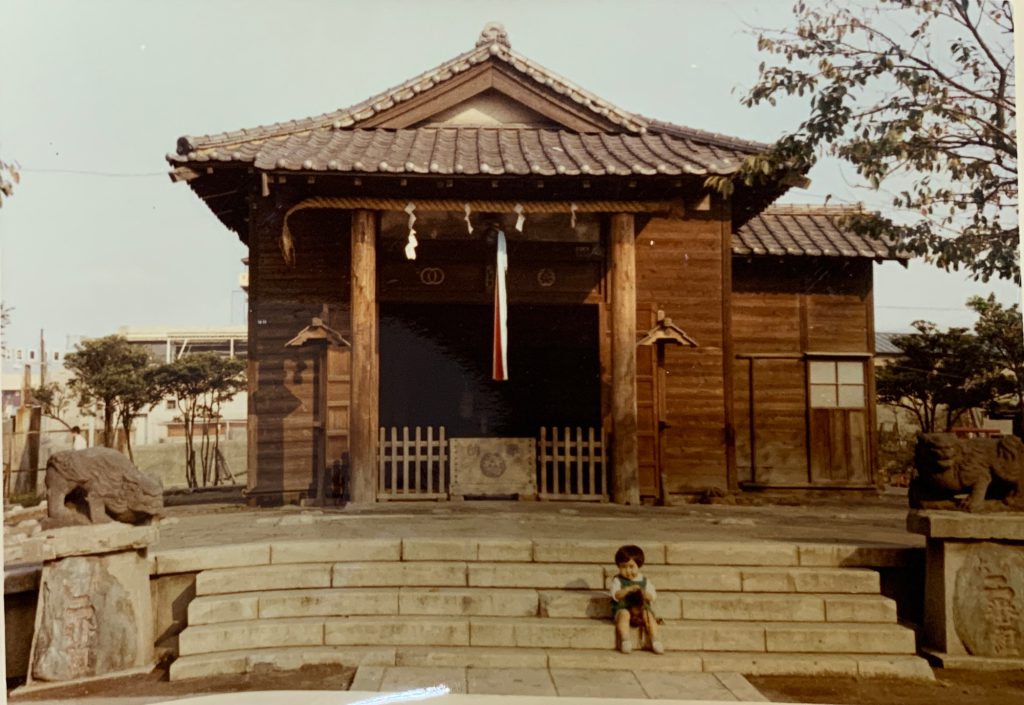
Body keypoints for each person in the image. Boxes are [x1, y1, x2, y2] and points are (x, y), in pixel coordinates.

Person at [610, 544, 664, 654]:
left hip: (640, 609)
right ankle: (625, 639)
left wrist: (643, 593)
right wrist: (627, 589)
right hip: (623, 608)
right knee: (624, 614)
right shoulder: (617, 580)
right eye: (623, 567)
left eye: (631, 566)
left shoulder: (644, 581)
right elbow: (616, 595)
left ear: (638, 565)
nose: (627, 571)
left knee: (648, 615)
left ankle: (655, 639)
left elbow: (652, 596)